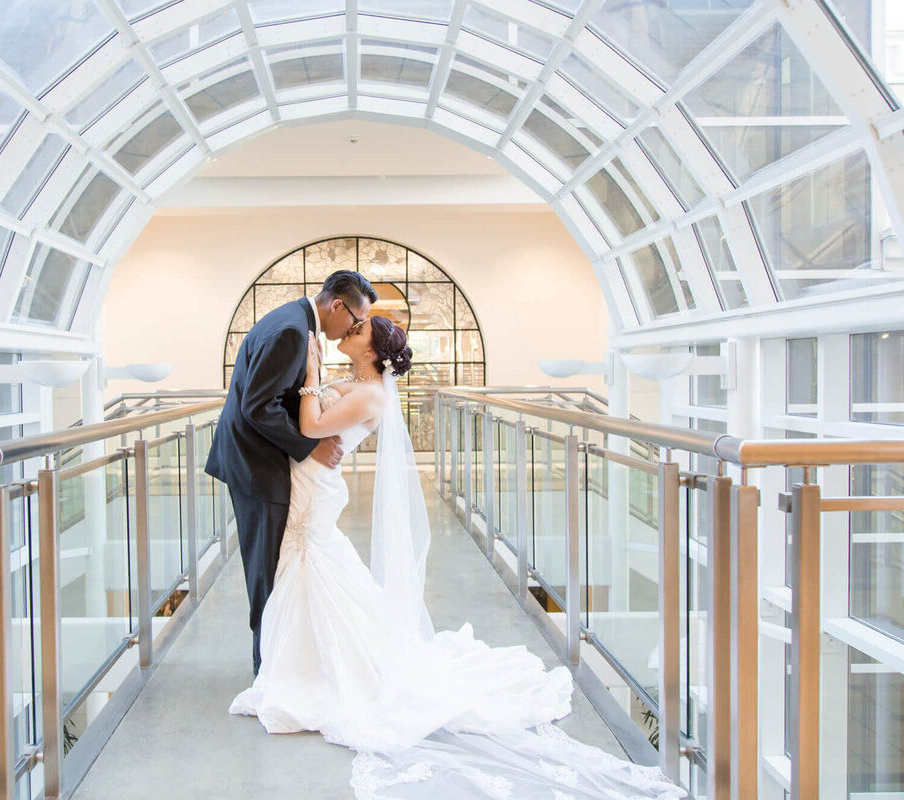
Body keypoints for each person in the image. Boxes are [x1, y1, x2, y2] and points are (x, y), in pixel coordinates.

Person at [229, 316, 684, 799]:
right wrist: (315, 378)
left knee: (313, 562)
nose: (350, 331)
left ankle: (314, 671)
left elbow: (311, 424)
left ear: (372, 349)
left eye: (359, 329)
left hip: (315, 487)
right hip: (310, 480)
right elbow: (315, 416)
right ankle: (305, 664)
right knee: (311, 566)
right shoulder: (359, 382)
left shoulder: (370, 394)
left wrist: (313, 380)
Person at [206, 270, 378, 675]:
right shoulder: (291, 332)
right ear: (337, 305)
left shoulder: (293, 322)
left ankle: (276, 662)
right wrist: (312, 443)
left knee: (273, 565)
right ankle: (269, 671)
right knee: (267, 571)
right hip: (256, 463)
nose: (352, 329)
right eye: (354, 321)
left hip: (259, 459)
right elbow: (258, 406)